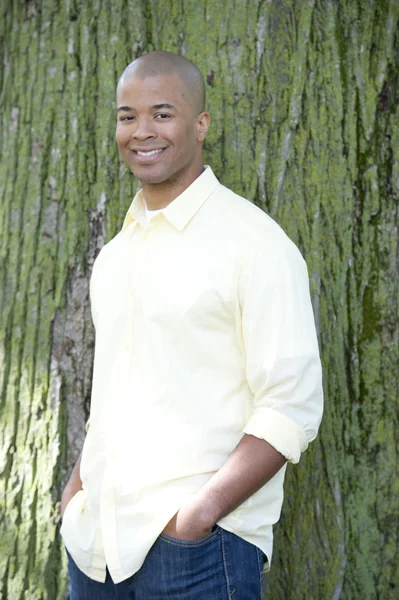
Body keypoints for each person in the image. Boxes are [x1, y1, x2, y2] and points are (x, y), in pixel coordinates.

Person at [60, 50, 323, 599]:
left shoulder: (255, 245)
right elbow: (115, 390)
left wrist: (199, 515)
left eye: (162, 112)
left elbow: (290, 405)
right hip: (95, 548)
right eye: (127, 116)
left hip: (197, 552)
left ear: (201, 123)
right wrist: (76, 494)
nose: (141, 131)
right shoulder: (117, 254)